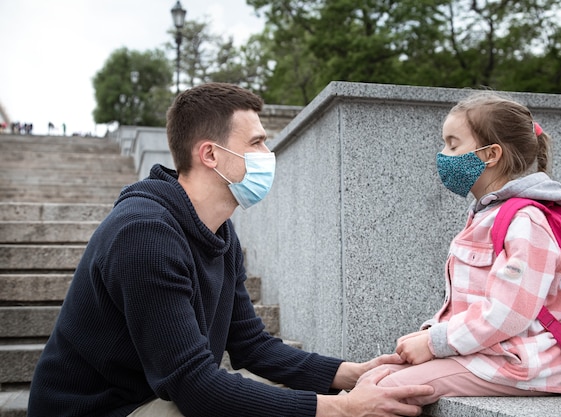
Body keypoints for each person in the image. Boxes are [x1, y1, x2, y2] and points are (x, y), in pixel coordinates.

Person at [27, 82, 433, 417]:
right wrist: (342, 409)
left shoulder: (219, 232)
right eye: (256, 143)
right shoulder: (144, 234)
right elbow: (193, 385)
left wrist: (348, 373)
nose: (267, 156)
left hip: (149, 399)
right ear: (210, 154)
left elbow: (250, 343)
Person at [359, 91, 561, 405]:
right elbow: (467, 305)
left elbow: (509, 313)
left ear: (490, 154)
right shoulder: (485, 215)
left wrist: (434, 342)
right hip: (485, 354)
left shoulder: (526, 222)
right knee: (371, 378)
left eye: (453, 143)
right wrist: (431, 334)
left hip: (518, 363)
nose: (443, 154)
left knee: (383, 391)